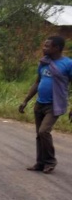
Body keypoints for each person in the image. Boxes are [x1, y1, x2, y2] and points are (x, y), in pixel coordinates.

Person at [18, 35, 72, 174]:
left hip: (54, 104)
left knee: (44, 131)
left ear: (57, 48)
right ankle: (40, 163)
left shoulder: (67, 64)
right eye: (44, 45)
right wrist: (25, 100)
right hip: (40, 103)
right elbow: (37, 82)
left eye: (47, 46)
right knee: (39, 134)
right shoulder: (44, 62)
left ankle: (50, 161)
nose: (44, 48)